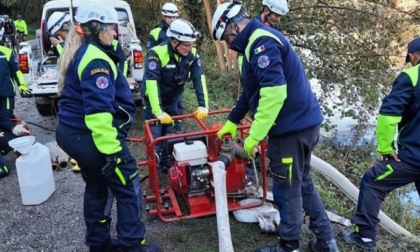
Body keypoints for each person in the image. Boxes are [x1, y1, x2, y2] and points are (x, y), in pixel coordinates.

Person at [211, 2, 339, 252]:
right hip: (303, 125)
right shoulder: (256, 42)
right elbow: (251, 92)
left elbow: (273, 94)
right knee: (302, 182)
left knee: (286, 187)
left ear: (235, 25)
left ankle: (289, 245)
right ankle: (326, 240)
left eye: (226, 37)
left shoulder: (261, 44)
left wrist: (251, 140)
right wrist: (232, 121)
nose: (228, 44)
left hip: (290, 130)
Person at [55, 3, 159, 252]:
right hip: (89, 137)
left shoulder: (90, 52)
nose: (116, 33)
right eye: (112, 28)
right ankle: (133, 244)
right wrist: (114, 153)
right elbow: (98, 114)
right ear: (96, 28)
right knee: (128, 184)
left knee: (98, 185)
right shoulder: (95, 61)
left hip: (76, 136)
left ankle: (99, 244)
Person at [339, 37, 420, 252]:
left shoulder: (411, 76)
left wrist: (386, 148)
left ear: (413, 56)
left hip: (413, 156)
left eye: (410, 59)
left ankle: (364, 237)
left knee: (373, 182)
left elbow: (388, 115)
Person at [141, 18, 208, 172]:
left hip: (172, 99)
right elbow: (152, 83)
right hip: (153, 102)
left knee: (171, 135)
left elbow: (199, 78)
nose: (190, 49)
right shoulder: (156, 54)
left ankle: (166, 163)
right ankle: (154, 168)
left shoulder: (192, 54)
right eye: (186, 45)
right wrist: (158, 111)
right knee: (155, 137)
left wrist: (203, 105)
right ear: (174, 42)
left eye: (191, 45)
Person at [146, 2, 185, 132]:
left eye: (174, 17)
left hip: (176, 76)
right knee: (159, 103)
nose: (172, 20)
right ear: (164, 16)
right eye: (169, 17)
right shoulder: (156, 33)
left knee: (177, 105)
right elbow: (151, 57)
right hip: (161, 74)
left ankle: (176, 128)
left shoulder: (180, 30)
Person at [0, 44, 31, 118]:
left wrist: (22, 85)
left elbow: (16, 72)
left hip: (5, 94)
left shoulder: (6, 52)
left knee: (6, 117)